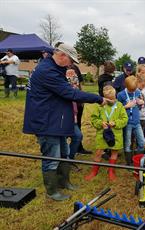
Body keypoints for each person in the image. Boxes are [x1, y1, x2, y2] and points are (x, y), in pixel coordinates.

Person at [23, 42, 110, 201]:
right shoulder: (47, 71)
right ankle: (52, 191)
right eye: (71, 61)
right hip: (45, 121)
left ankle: (64, 181)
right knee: (52, 156)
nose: (71, 65)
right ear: (62, 56)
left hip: (55, 119)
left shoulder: (54, 65)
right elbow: (71, 93)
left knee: (64, 152)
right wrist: (98, 99)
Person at [85, 85, 128, 181]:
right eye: (109, 100)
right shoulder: (99, 106)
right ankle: (94, 171)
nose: (112, 101)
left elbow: (124, 119)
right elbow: (94, 119)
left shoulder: (120, 106)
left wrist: (116, 123)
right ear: (104, 98)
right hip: (102, 134)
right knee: (98, 152)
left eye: (113, 98)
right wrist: (101, 123)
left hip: (116, 134)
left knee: (114, 151)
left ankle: (111, 171)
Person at [117, 76, 145, 165]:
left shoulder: (137, 92)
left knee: (142, 142)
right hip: (127, 123)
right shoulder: (121, 95)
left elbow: (141, 104)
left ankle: (136, 158)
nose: (133, 92)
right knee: (128, 143)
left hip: (137, 122)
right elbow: (117, 109)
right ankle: (129, 163)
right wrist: (126, 106)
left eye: (134, 90)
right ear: (126, 86)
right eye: (131, 90)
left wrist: (141, 102)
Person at [65, 68, 83, 161]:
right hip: (64, 117)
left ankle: (70, 159)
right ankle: (64, 160)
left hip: (73, 115)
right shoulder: (63, 87)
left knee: (78, 136)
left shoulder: (74, 91)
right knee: (63, 139)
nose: (76, 85)